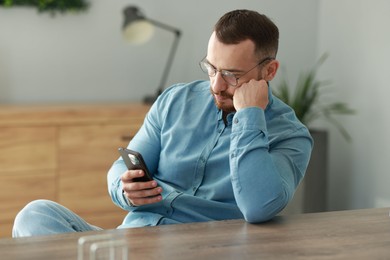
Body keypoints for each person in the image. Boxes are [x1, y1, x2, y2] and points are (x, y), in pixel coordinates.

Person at [13, 9, 313, 237]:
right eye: (211, 68)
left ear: (269, 70)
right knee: (35, 215)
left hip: (201, 248)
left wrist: (250, 117)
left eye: (232, 75)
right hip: (132, 240)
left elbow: (259, 207)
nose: (217, 85)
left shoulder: (290, 135)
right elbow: (122, 167)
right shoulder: (175, 101)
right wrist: (124, 188)